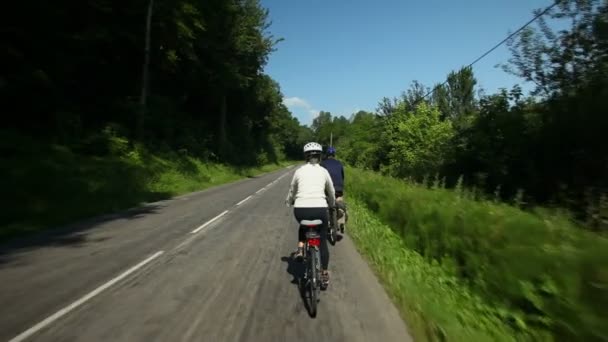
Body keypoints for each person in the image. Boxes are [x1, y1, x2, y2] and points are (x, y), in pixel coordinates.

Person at [285, 142, 335, 288]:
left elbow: (292, 189)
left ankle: (301, 249)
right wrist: (331, 203)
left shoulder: (299, 171)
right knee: (322, 240)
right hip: (320, 209)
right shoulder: (324, 171)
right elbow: (331, 191)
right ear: (319, 156)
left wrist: (289, 201)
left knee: (303, 225)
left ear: (306, 156)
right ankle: (324, 273)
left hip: (301, 210)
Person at [321, 146, 347, 231]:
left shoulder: (323, 163)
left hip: (327, 187)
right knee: (339, 201)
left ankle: (325, 220)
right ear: (334, 155)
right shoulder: (339, 163)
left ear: (327, 154)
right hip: (338, 187)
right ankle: (342, 222)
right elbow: (342, 176)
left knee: (323, 202)